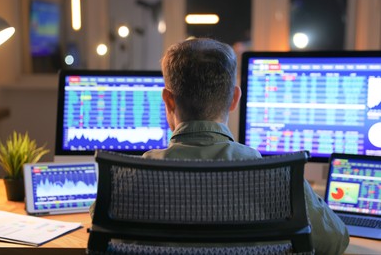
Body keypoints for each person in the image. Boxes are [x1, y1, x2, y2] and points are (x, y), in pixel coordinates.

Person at [143, 37, 349, 254]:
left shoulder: (133, 177)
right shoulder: (276, 176)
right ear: (234, 98)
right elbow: (334, 241)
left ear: (168, 100)